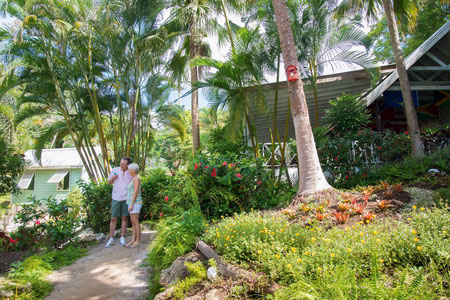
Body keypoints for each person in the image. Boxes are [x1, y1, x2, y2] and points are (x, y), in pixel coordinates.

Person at [105, 157, 133, 247]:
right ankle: (111, 238)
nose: (121, 165)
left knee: (124, 217)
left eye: (123, 164)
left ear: (128, 165)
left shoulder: (130, 172)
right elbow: (108, 182)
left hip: (126, 198)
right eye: (121, 163)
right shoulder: (115, 170)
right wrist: (113, 178)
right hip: (115, 198)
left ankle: (122, 237)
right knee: (113, 218)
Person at [125, 163, 143, 248]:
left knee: (135, 222)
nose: (128, 171)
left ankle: (137, 241)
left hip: (135, 203)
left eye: (129, 169)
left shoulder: (136, 179)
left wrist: (132, 204)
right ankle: (133, 239)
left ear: (134, 170)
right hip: (131, 203)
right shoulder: (133, 178)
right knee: (133, 222)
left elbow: (135, 192)